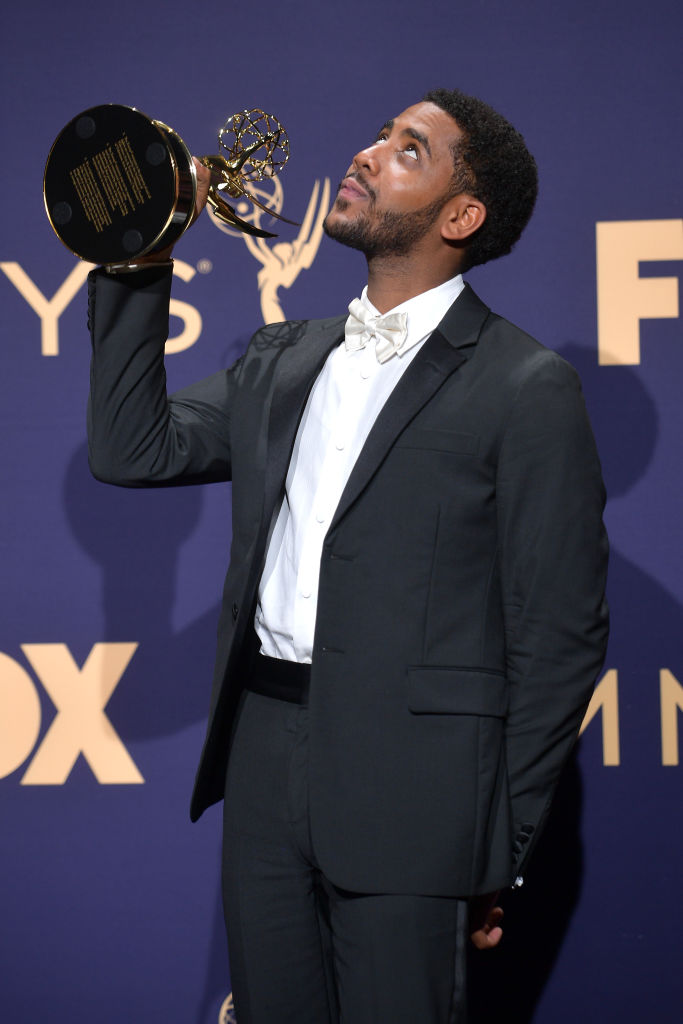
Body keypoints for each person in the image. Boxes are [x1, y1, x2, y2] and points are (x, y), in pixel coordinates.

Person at [86, 88, 609, 1023]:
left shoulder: (525, 386)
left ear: (460, 214)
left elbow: (559, 639)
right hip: (261, 759)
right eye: (378, 134)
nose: (366, 154)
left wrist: (500, 845)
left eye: (408, 149)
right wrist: (139, 246)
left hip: (418, 793)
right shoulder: (285, 358)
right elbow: (133, 449)